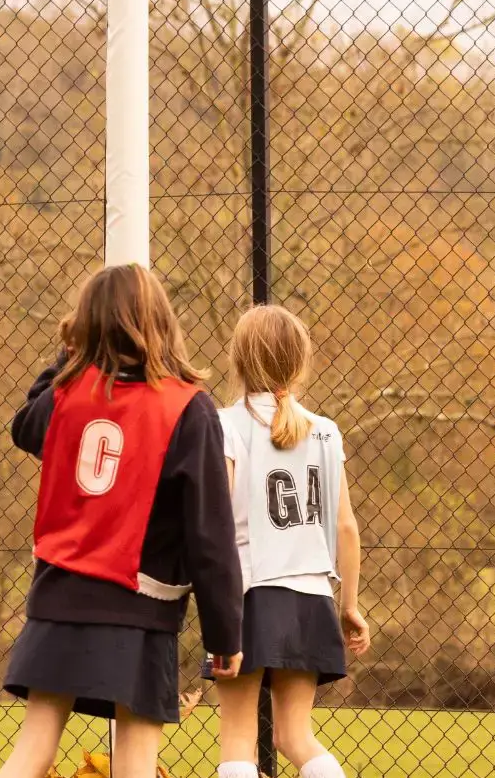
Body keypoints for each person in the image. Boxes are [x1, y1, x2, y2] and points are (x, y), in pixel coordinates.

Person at [0, 264, 244, 778]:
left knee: (33, 751)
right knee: (136, 760)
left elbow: (25, 424)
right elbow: (210, 536)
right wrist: (226, 634)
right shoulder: (188, 408)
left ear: (84, 329)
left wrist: (66, 356)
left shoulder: (65, 397)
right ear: (162, 322)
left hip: (59, 596)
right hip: (140, 607)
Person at [212, 305, 369, 778]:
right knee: (295, 737)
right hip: (313, 599)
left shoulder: (225, 425)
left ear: (238, 361)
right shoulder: (325, 431)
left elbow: (217, 523)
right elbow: (346, 527)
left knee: (238, 739)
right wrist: (349, 605)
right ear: (299, 364)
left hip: (249, 597)